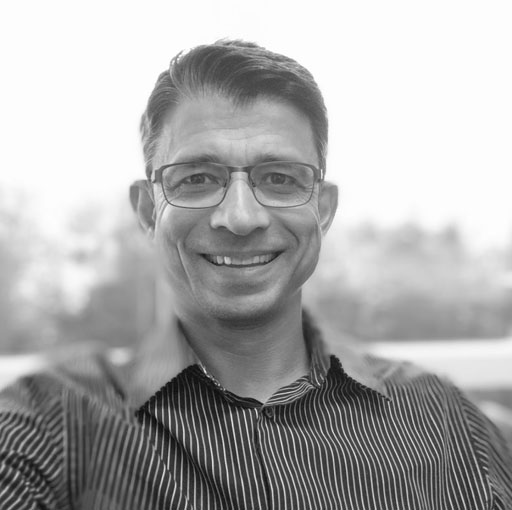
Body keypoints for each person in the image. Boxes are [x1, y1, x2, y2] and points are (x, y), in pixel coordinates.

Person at [0, 39, 511, 510]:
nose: (241, 217)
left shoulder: (448, 422)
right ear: (148, 210)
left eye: (279, 178)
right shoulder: (50, 427)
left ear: (323, 209)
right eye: (197, 178)